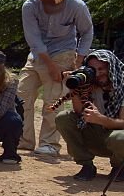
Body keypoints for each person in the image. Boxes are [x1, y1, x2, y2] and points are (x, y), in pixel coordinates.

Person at [18, 0, 93, 156]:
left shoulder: (77, 5)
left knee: (53, 98)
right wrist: (50, 66)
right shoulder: (30, 6)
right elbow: (33, 39)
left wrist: (79, 59)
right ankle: (23, 139)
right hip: (37, 53)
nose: (50, 9)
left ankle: (49, 143)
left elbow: (87, 31)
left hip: (64, 51)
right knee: (22, 94)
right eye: (47, 5)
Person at [53, 49, 124, 181]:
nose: (97, 74)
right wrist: (74, 88)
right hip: (97, 136)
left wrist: (100, 119)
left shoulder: (122, 84)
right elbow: (79, 113)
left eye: (101, 69)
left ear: (111, 68)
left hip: (116, 138)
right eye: (93, 69)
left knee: (121, 137)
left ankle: (119, 167)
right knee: (64, 118)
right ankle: (86, 165)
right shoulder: (89, 82)